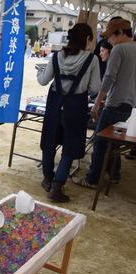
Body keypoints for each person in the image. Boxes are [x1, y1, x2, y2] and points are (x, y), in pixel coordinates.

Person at [36, 23, 100, 202]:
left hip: (55, 104)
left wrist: (40, 73)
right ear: (87, 39)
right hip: (76, 106)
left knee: (49, 141)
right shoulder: (91, 60)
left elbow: (43, 81)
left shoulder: (57, 56)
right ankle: (57, 186)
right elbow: (95, 87)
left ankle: (47, 179)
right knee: (69, 148)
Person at [72, 18, 136, 188]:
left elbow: (108, 78)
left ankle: (93, 179)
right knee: (113, 143)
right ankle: (114, 174)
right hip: (129, 105)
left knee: (100, 142)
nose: (109, 41)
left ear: (121, 33)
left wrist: (97, 102)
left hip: (114, 103)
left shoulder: (119, 49)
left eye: (111, 37)